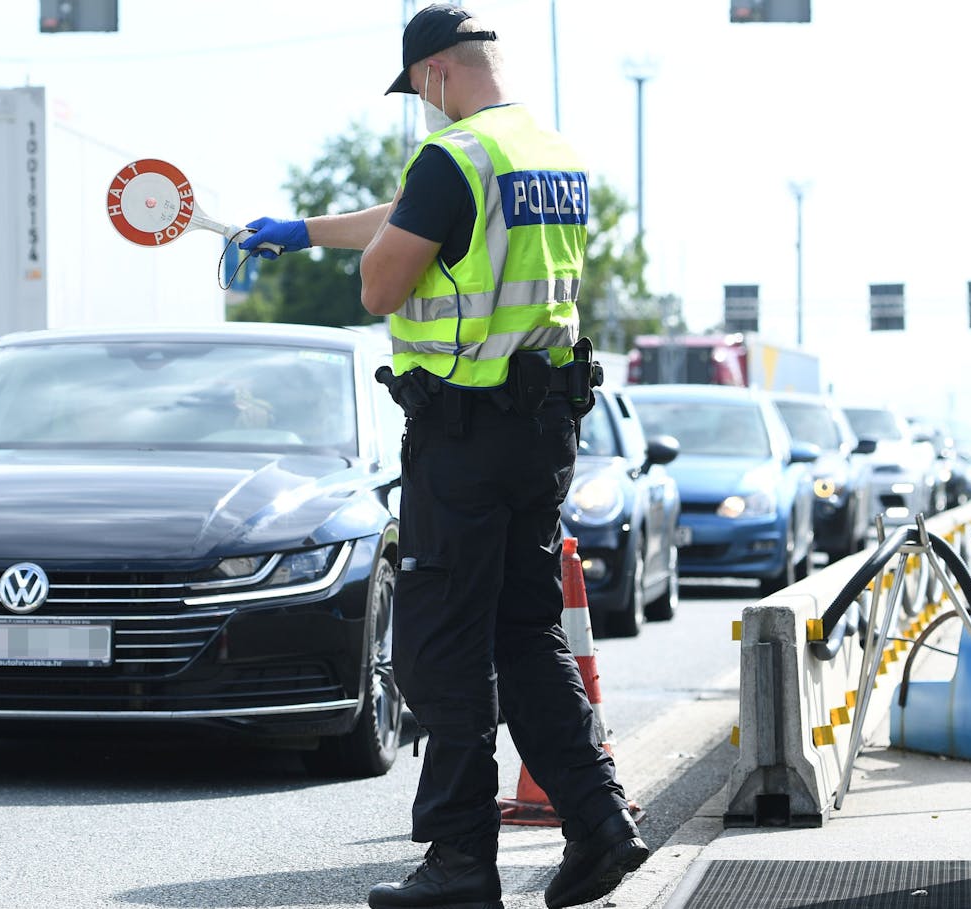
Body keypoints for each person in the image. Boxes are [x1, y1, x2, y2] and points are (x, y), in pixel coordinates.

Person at [237, 6, 646, 909]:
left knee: (436, 650)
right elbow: (416, 219)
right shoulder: (548, 150)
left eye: (415, 90)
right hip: (542, 430)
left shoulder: (454, 155)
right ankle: (601, 820)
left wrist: (350, 255)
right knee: (526, 635)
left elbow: (384, 277)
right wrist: (302, 228)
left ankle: (462, 861)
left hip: (463, 433)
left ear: (433, 74)